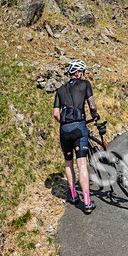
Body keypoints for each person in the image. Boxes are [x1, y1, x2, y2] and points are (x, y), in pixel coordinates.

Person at [53, 59, 100, 214]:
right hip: (79, 128)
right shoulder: (85, 84)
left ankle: (73, 195)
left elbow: (55, 113)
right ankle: (87, 201)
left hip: (64, 130)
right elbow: (92, 105)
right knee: (82, 165)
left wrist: (66, 122)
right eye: (83, 72)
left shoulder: (60, 90)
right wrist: (95, 116)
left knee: (68, 163)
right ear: (79, 73)